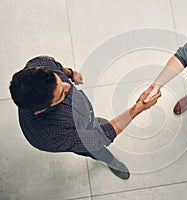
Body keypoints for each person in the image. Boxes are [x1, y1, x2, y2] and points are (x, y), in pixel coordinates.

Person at [9, 56, 161, 180]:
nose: (68, 86)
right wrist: (138, 108)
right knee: (97, 149)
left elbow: (58, 67)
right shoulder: (48, 136)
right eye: (62, 94)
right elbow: (99, 138)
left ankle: (92, 122)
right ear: (41, 110)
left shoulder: (39, 64)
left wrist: (71, 73)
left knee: (93, 122)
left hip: (83, 117)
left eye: (61, 81)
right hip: (80, 137)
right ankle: (110, 161)